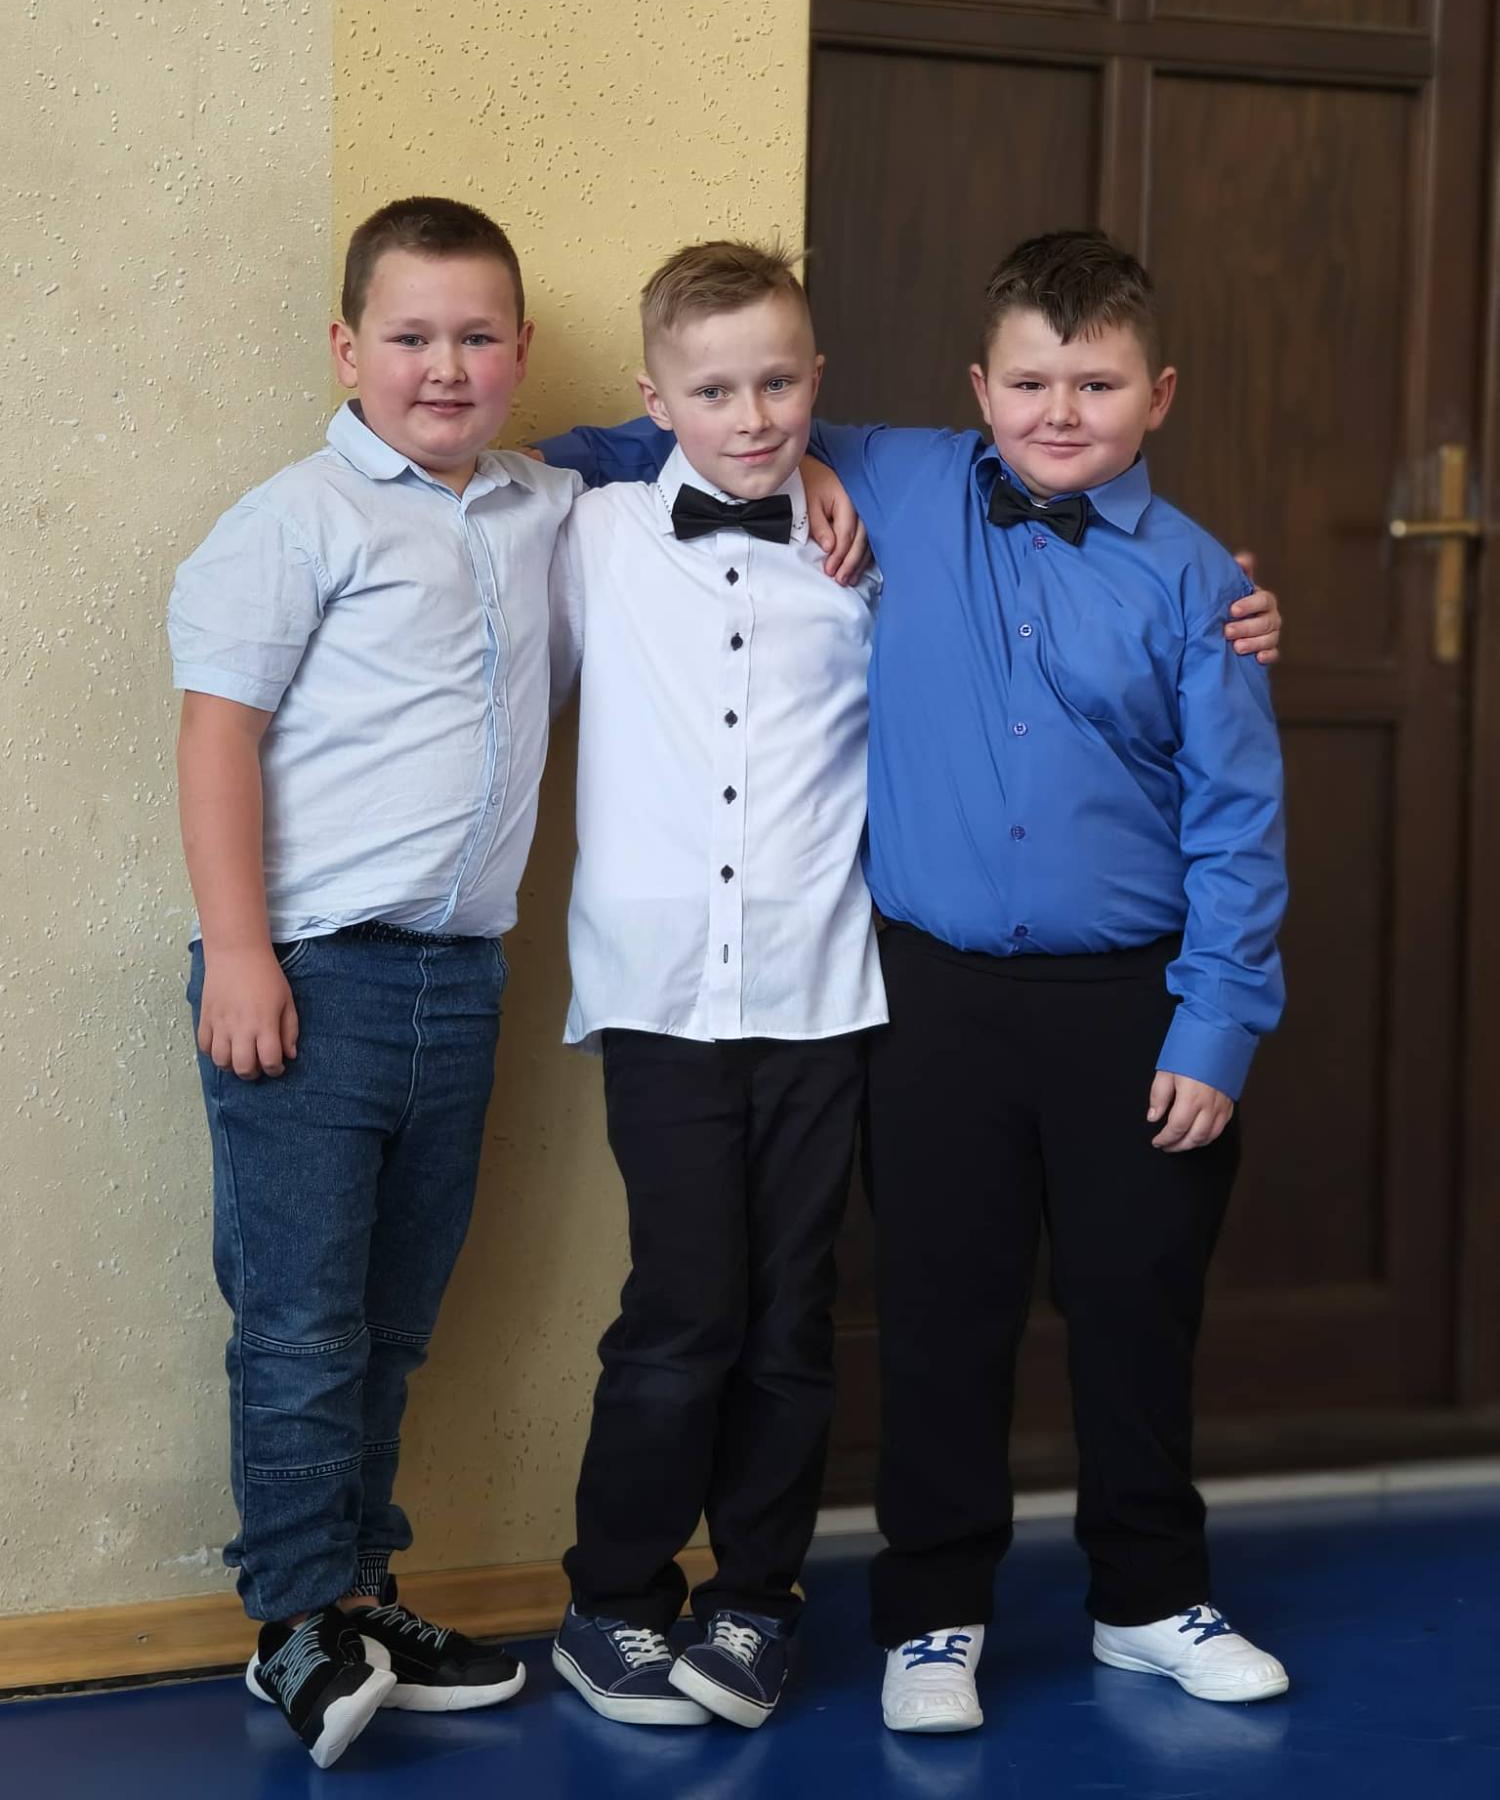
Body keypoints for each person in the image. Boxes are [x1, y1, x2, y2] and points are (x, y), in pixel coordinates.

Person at [539, 229, 1288, 1734]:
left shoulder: (1200, 579)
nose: (1060, 411)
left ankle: (1150, 1597)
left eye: (1098, 384)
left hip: (1135, 999)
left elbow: (1238, 819)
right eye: (1030, 382)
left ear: (1158, 396)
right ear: (977, 389)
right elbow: (662, 437)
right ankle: (934, 1616)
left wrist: (1218, 1024)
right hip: (932, 996)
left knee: (1137, 1304)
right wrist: (790, 457)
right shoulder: (893, 474)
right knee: (943, 1310)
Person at [168, 197, 576, 1766]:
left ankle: (359, 1591)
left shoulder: (543, 506)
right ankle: (290, 1620)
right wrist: (243, 950)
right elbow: (218, 734)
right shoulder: (298, 519)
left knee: (394, 1320)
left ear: (521, 350)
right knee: (299, 1324)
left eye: (477, 337)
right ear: (348, 349)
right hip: (307, 980)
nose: (445, 366)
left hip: (457, 983)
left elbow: (678, 446)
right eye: (410, 337)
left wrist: (808, 474)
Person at [544, 242, 884, 1731]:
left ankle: (756, 1601)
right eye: (714, 390)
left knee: (794, 1315)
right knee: (682, 1308)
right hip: (661, 997)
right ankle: (612, 1600)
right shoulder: (596, 528)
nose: (752, 417)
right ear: (654, 399)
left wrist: (1223, 606)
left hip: (821, 989)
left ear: (819, 381)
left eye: (779, 383)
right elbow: (480, 463)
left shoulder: (867, 552)